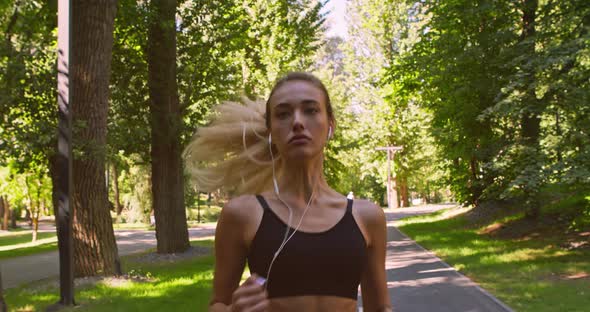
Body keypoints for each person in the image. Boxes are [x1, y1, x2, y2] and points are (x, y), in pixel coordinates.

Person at [183, 72, 391, 312]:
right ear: (270, 131)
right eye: (283, 114)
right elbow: (218, 304)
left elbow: (380, 307)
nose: (297, 122)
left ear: (330, 124)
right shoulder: (243, 215)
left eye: (311, 110)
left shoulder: (367, 217)